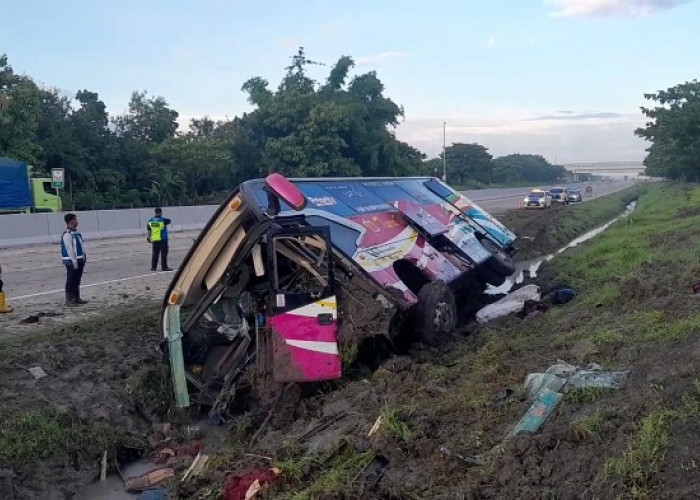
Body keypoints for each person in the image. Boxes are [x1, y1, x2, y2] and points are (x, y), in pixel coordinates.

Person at [60, 213, 88, 306]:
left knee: (77, 279)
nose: (77, 222)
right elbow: (69, 249)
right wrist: (74, 261)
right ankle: (69, 300)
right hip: (71, 261)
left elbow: (81, 246)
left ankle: (76, 297)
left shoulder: (76, 233)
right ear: (72, 221)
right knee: (71, 279)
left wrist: (83, 256)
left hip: (79, 259)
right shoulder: (67, 235)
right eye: (76, 220)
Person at [147, 208, 172, 272]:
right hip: (163, 239)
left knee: (155, 254)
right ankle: (164, 267)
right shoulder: (163, 220)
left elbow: (149, 230)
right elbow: (169, 220)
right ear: (161, 212)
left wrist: (149, 237)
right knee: (164, 254)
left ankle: (153, 267)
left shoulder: (150, 221)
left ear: (155, 212)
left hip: (155, 239)